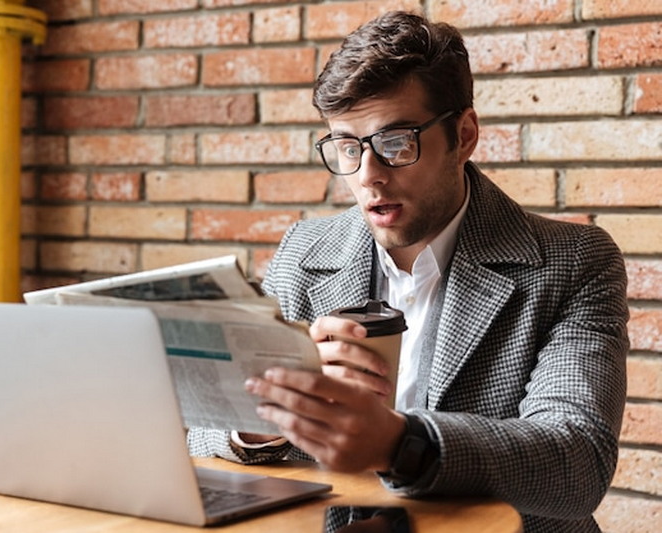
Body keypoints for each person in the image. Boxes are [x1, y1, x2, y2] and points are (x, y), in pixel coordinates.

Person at [187, 11, 628, 533]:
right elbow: (200, 428)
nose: (368, 176)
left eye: (396, 143)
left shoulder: (575, 261)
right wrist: (269, 425)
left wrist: (398, 442)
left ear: (463, 136)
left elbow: (576, 463)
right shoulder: (303, 252)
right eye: (348, 148)